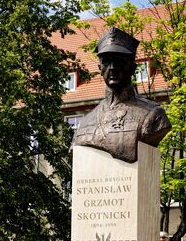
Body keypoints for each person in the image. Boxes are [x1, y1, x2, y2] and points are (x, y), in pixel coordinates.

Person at [70, 27, 171, 164]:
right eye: (106, 61)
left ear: (132, 68)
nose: (112, 67)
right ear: (100, 69)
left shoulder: (153, 115)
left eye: (119, 61)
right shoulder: (86, 122)